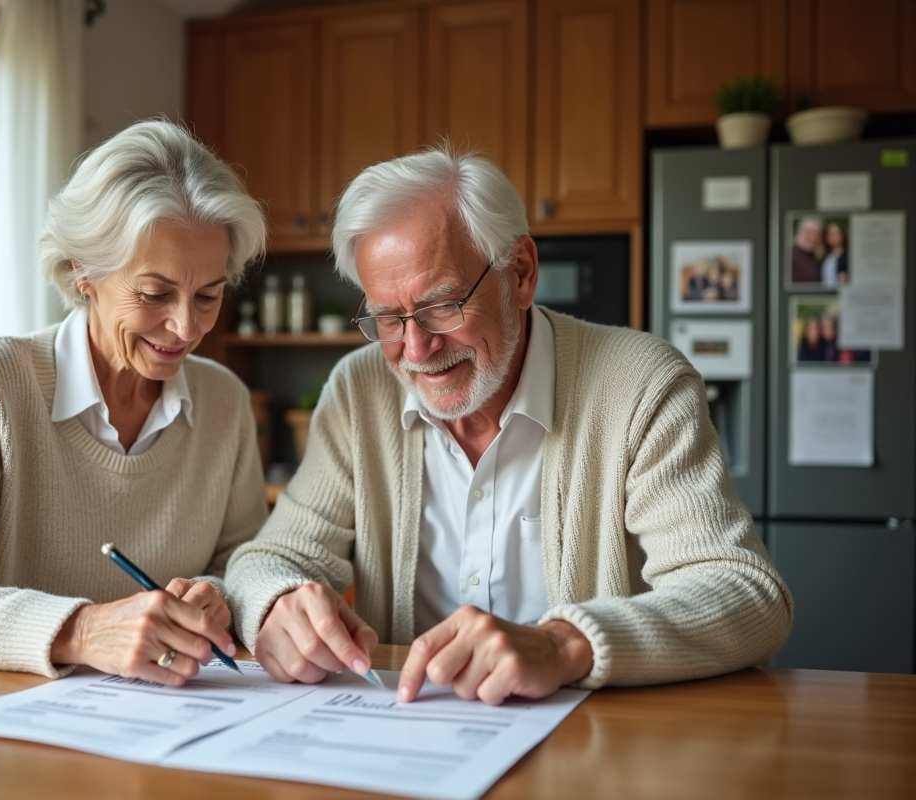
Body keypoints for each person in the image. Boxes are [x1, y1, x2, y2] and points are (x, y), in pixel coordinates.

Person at [225, 148, 793, 705]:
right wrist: (279, 602)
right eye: (388, 319)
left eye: (443, 305)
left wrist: (563, 643)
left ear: (520, 274)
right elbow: (266, 561)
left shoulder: (642, 385)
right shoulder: (359, 390)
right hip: (410, 734)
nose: (416, 348)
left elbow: (744, 594)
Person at [0, 120, 270, 682]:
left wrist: (220, 596)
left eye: (208, 296)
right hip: (14, 719)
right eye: (155, 294)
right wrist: (83, 631)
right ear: (85, 271)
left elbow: (246, 562)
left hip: (173, 718)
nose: (185, 327)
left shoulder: (223, 402)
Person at [790, 217, 823, 284]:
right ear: (799, 232)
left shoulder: (818, 256)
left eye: (817, 233)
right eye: (808, 232)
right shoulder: (789, 254)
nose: (813, 237)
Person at [820, 220, 849, 287]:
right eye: (831, 234)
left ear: (842, 235)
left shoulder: (849, 257)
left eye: (837, 233)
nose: (834, 237)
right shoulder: (823, 257)